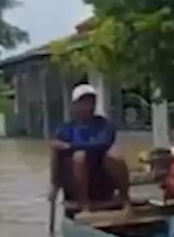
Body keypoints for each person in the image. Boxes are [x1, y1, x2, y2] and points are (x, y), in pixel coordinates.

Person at [50, 84, 130, 214]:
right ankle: (85, 205)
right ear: (75, 106)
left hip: (102, 178)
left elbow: (104, 143)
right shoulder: (65, 129)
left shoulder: (104, 124)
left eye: (91, 102)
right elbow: (56, 158)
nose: (88, 106)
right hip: (76, 184)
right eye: (83, 103)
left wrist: (70, 146)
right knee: (79, 158)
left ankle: (125, 201)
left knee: (116, 157)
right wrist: (54, 187)